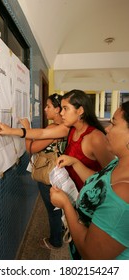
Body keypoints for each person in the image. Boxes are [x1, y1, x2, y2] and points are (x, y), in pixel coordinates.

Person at [50, 101, 129, 260]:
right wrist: (76, 163)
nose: (107, 128)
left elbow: (91, 255)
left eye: (113, 123)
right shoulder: (119, 162)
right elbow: (100, 184)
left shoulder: (124, 195)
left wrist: (66, 204)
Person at [0, 89, 114, 192]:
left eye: (65, 108)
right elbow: (42, 133)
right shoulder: (69, 129)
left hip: (89, 195)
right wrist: (10, 130)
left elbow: (111, 177)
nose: (61, 113)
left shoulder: (96, 137)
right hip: (71, 191)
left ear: (80, 111)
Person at [20, 93, 67, 249]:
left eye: (48, 106)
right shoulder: (66, 127)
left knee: (52, 209)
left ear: (57, 109)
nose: (45, 109)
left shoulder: (54, 128)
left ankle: (56, 241)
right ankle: (61, 230)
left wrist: (27, 129)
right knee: (58, 206)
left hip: (49, 176)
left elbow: (30, 149)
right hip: (60, 173)